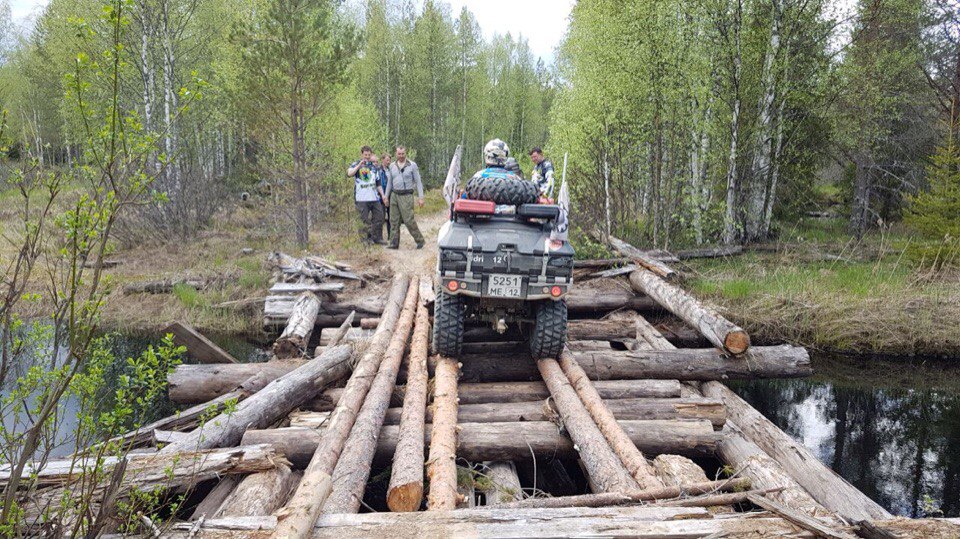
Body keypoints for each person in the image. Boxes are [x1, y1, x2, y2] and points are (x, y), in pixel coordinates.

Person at [385, 146, 425, 249]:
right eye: (399, 154)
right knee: (393, 220)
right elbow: (389, 183)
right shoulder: (392, 166)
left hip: (406, 196)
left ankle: (420, 240)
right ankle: (394, 243)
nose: (401, 156)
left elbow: (418, 182)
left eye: (403, 153)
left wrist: (421, 197)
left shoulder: (412, 165)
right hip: (394, 195)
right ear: (396, 154)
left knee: (408, 220)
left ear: (405, 153)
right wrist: (386, 197)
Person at [348, 145, 386, 245]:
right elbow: (349, 174)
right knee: (363, 220)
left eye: (369, 155)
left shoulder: (374, 167)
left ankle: (376, 238)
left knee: (379, 217)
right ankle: (365, 240)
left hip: (374, 197)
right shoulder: (356, 164)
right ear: (362, 154)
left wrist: (383, 195)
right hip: (362, 198)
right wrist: (359, 166)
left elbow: (378, 183)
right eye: (365, 155)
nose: (367, 157)